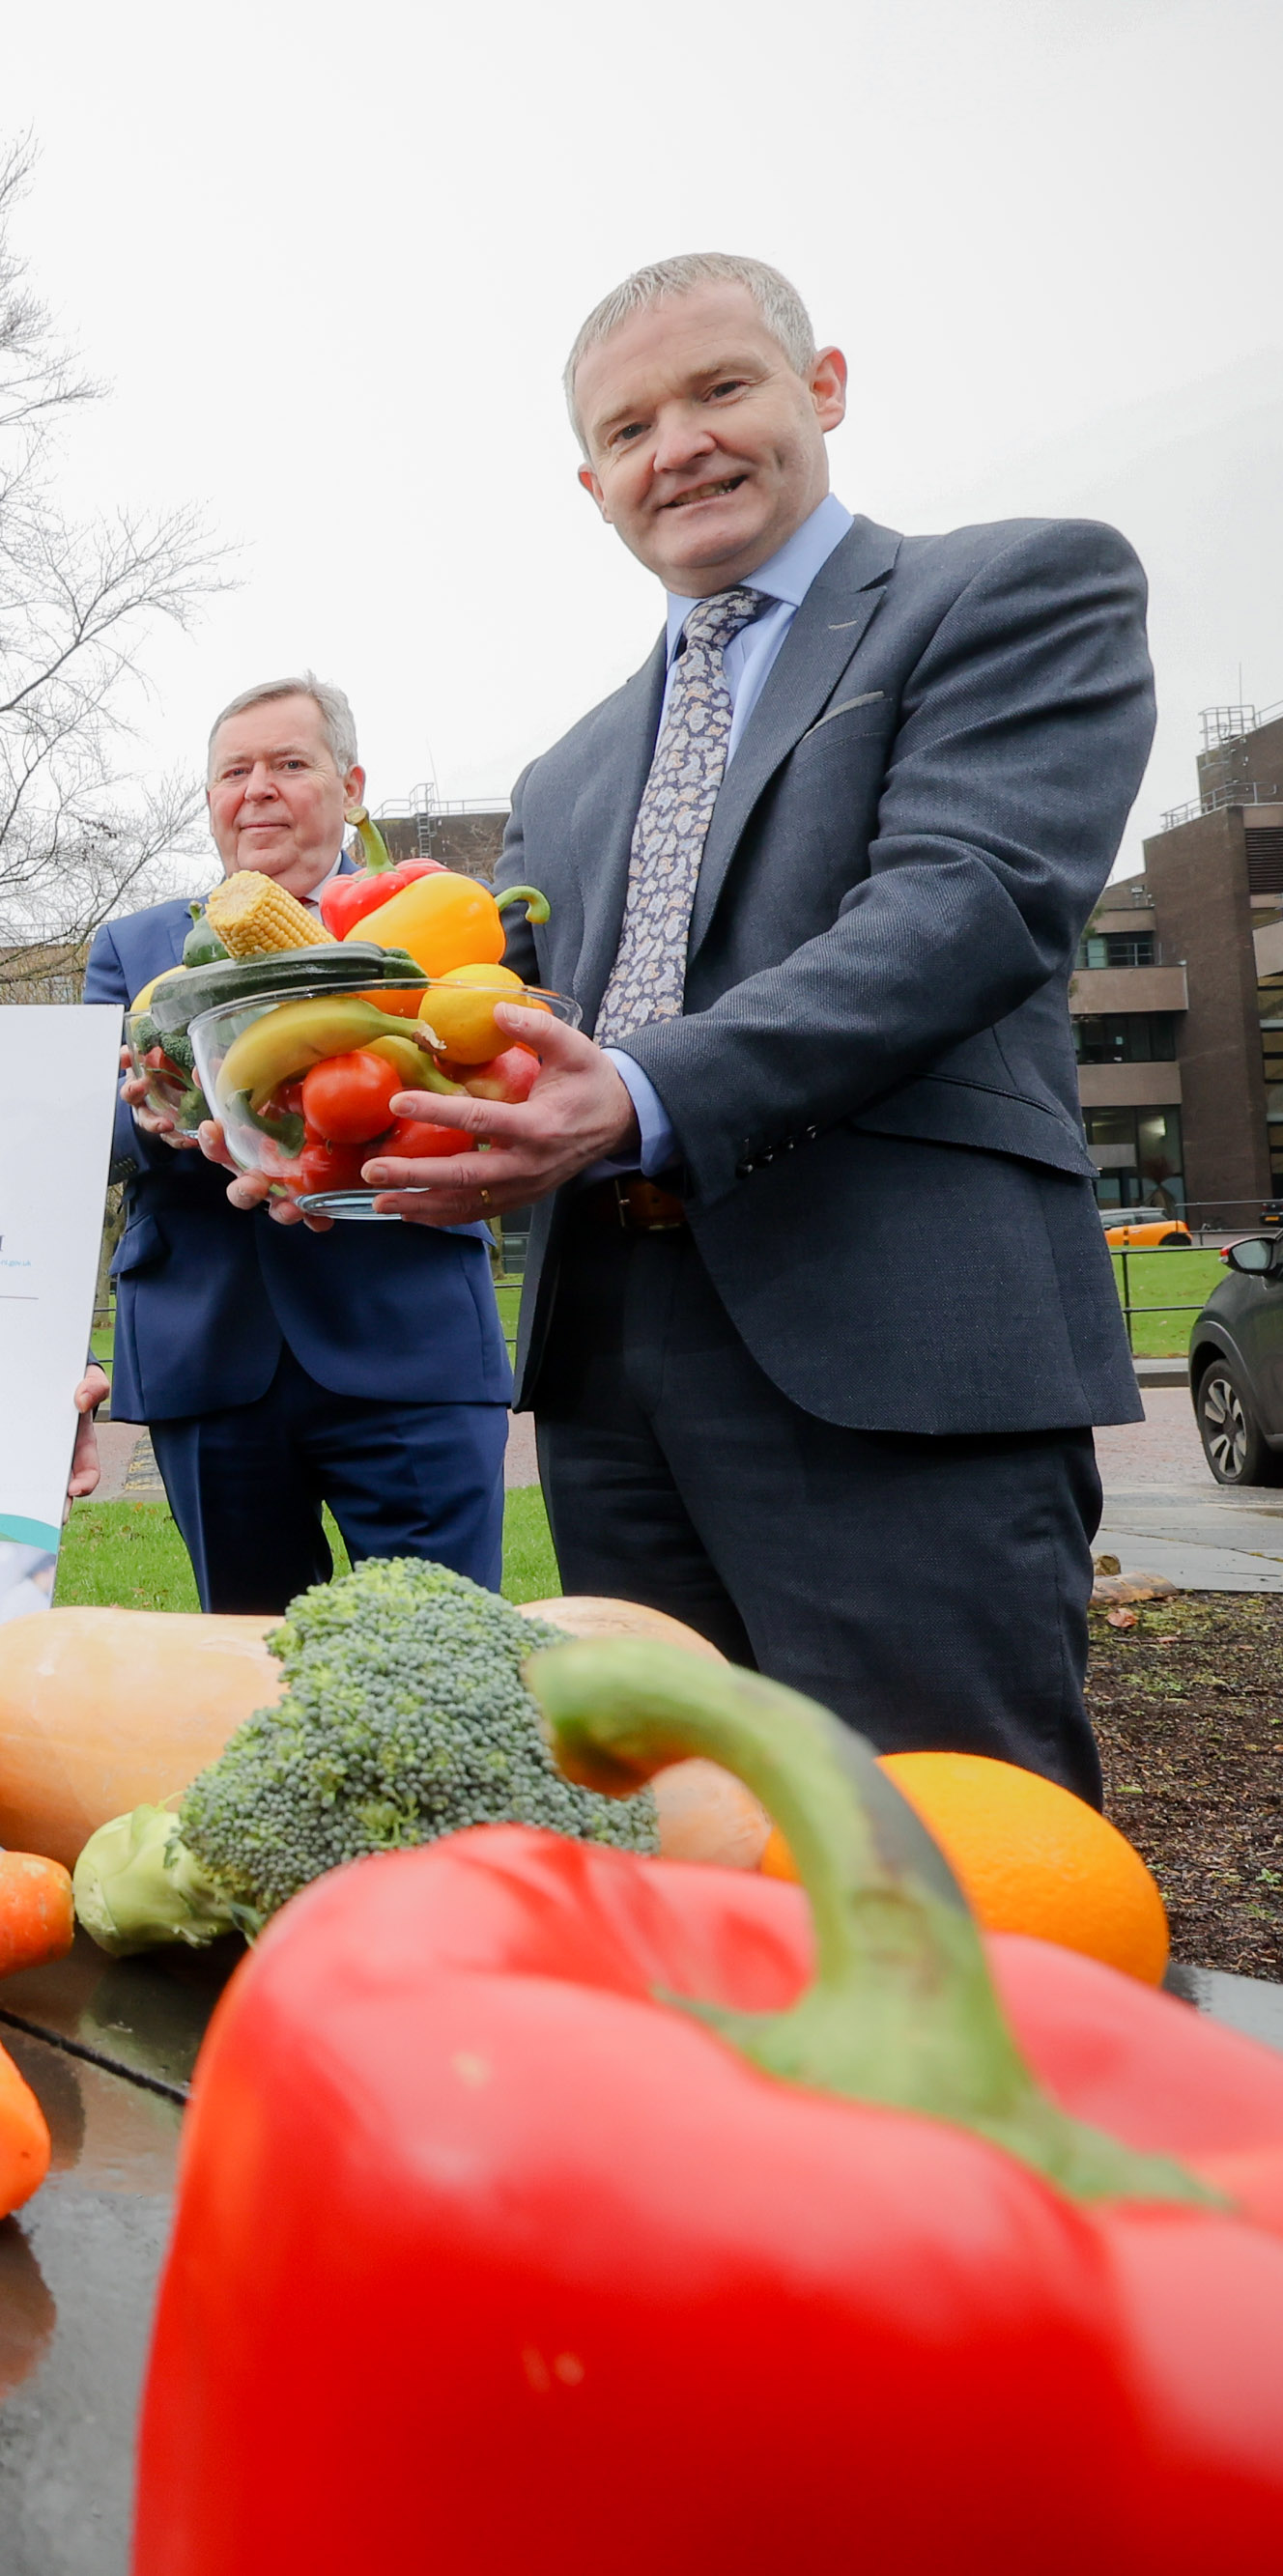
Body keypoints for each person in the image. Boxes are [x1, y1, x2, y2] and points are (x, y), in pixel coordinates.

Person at [331, 252, 1145, 1795]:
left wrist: (639, 1089)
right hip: (610, 1370)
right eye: (630, 428)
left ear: (821, 387)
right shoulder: (569, 772)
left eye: (721, 390)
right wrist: (328, 1133)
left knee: (950, 1858)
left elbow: (961, 907)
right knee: (685, 1864)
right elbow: (508, 1036)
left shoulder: (1016, 590)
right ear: (594, 481)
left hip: (892, 1346)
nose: (679, 447)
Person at [75, 677, 513, 1610]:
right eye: (234, 771)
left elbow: (489, 1078)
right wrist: (173, 1113)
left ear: (351, 788)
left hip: (407, 1336)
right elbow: (93, 1123)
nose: (257, 788)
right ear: (209, 802)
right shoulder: (134, 946)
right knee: (249, 1665)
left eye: (288, 764)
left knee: (444, 1654)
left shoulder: (436, 913)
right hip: (209, 1350)